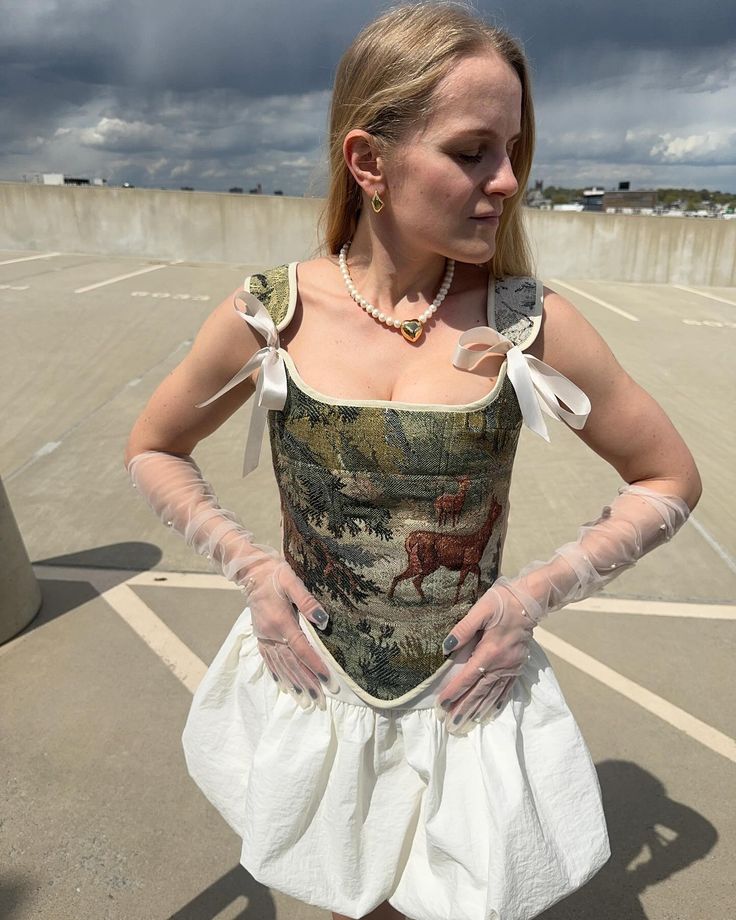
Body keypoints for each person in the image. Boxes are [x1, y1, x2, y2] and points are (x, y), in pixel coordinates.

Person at [123, 4, 701, 919]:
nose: (508, 180)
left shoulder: (528, 321)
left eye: (514, 150)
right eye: (473, 151)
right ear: (369, 162)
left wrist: (532, 595)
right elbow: (155, 448)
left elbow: (670, 476)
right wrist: (251, 568)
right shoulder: (272, 313)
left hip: (460, 702)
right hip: (318, 686)